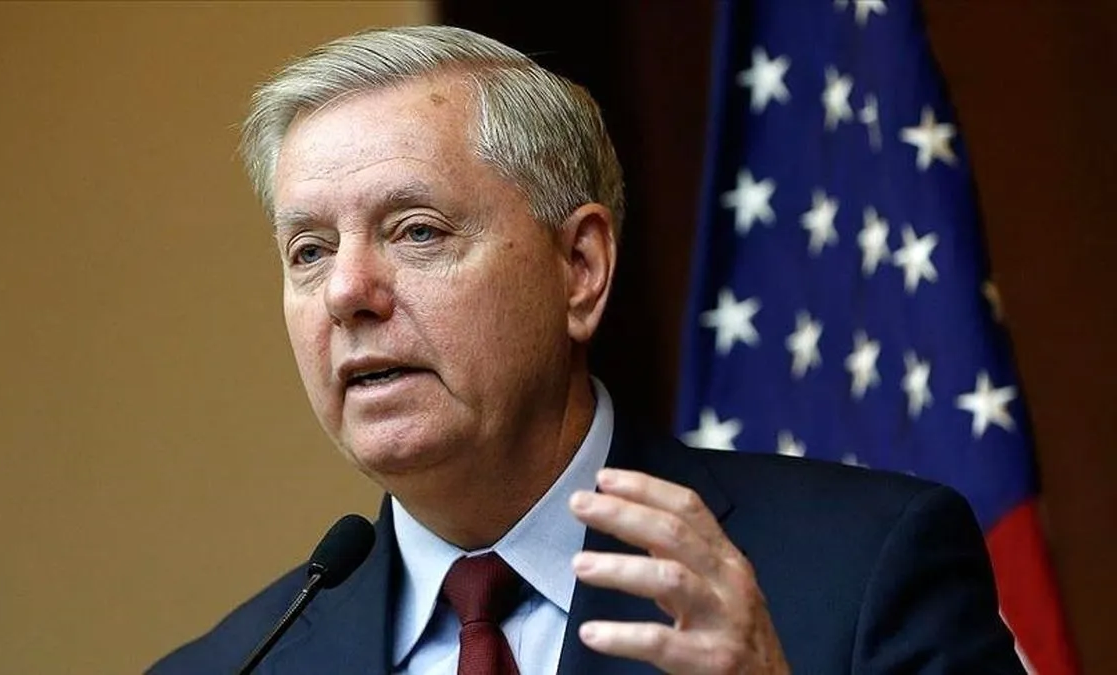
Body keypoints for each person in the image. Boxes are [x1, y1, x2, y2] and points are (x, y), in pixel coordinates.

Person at [149, 25, 1023, 674]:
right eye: (309, 251)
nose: (347, 292)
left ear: (580, 268)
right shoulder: (231, 666)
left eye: (416, 231)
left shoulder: (866, 569)